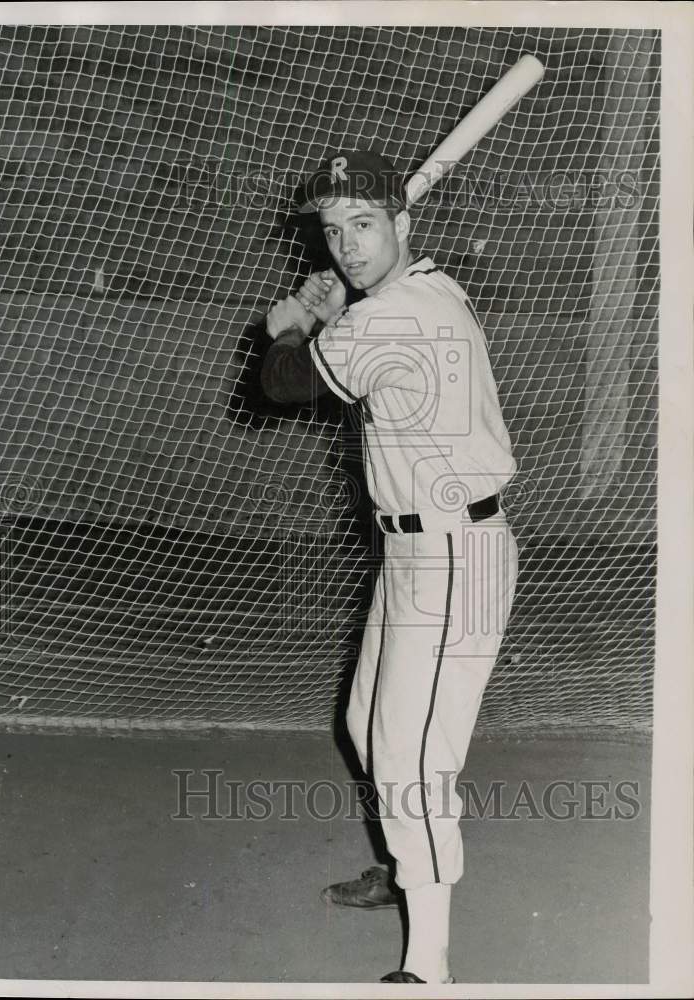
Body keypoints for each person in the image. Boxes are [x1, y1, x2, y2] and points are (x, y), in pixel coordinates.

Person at [260, 150, 519, 985]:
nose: (347, 245)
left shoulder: (396, 314)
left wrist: (293, 321)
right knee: (369, 724)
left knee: (412, 764)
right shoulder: (428, 284)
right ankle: (410, 874)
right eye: (334, 231)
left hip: (453, 557)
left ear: (403, 223)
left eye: (364, 224)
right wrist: (342, 303)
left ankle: (427, 966)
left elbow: (284, 384)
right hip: (420, 552)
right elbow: (372, 315)